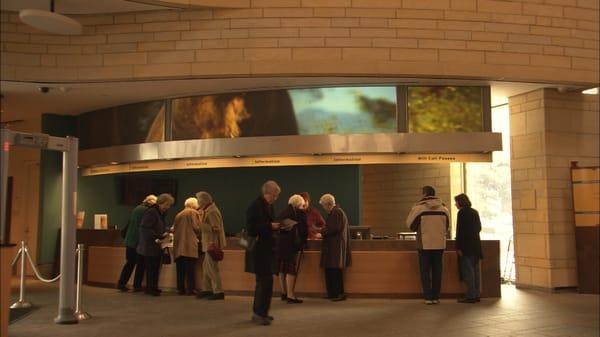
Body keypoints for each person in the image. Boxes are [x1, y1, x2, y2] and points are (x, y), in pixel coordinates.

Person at [244, 180, 281, 326]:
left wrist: (275, 227)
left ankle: (262, 312)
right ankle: (259, 314)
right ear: (267, 193)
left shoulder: (267, 206)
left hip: (267, 249)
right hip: (259, 251)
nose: (276, 198)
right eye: (275, 195)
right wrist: (270, 226)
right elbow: (251, 228)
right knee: (264, 282)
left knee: (266, 282)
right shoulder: (255, 206)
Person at [406, 186, 450, 305]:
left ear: (424, 194)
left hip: (424, 245)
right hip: (439, 244)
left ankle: (428, 297)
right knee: (437, 271)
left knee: (424, 271)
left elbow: (410, 226)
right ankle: (436, 296)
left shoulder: (418, 209)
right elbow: (447, 226)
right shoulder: (444, 208)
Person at [137, 193, 174, 296]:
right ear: (161, 203)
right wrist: (157, 237)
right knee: (151, 268)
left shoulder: (160, 213)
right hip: (150, 245)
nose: (168, 207)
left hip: (156, 245)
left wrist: (166, 231)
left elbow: (158, 226)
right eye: (167, 204)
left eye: (169, 205)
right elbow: (145, 228)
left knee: (155, 268)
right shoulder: (152, 212)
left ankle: (154, 287)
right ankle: (150, 289)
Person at [117, 194, 157, 292]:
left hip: (130, 241)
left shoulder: (136, 209)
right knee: (140, 264)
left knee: (129, 264)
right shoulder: (146, 211)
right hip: (138, 242)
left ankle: (122, 283)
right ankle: (137, 285)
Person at [318, 193, 351, 302]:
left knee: (335, 271)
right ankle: (332, 293)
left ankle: (339, 293)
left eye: (323, 206)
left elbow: (333, 228)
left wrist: (321, 231)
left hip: (335, 247)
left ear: (328, 204)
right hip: (333, 247)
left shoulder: (336, 212)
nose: (324, 208)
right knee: (331, 270)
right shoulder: (337, 212)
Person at [276, 194, 308, 304]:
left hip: (280, 245)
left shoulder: (283, 212)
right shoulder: (300, 213)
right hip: (291, 245)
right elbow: (304, 230)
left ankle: (284, 293)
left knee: (281, 269)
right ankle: (291, 295)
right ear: (299, 204)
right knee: (290, 269)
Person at [195, 191, 227, 301]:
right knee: (206, 267)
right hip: (209, 243)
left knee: (212, 268)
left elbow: (216, 228)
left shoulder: (212, 211)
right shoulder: (207, 210)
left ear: (203, 200)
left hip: (212, 244)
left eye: (198, 200)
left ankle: (218, 291)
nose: (197, 202)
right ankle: (207, 289)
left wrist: (201, 225)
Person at [454, 193, 483, 303]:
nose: (455, 204)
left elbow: (460, 231)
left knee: (468, 272)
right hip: (476, 246)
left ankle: (470, 295)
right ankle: (476, 294)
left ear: (460, 202)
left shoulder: (461, 213)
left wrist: (459, 247)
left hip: (466, 247)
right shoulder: (474, 212)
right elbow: (479, 228)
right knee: (476, 271)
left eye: (456, 202)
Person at [172, 197, 202, 296]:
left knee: (180, 269)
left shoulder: (179, 214)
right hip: (189, 245)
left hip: (178, 245)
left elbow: (174, 229)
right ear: (194, 205)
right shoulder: (193, 213)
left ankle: (180, 289)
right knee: (190, 269)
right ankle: (191, 289)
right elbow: (197, 228)